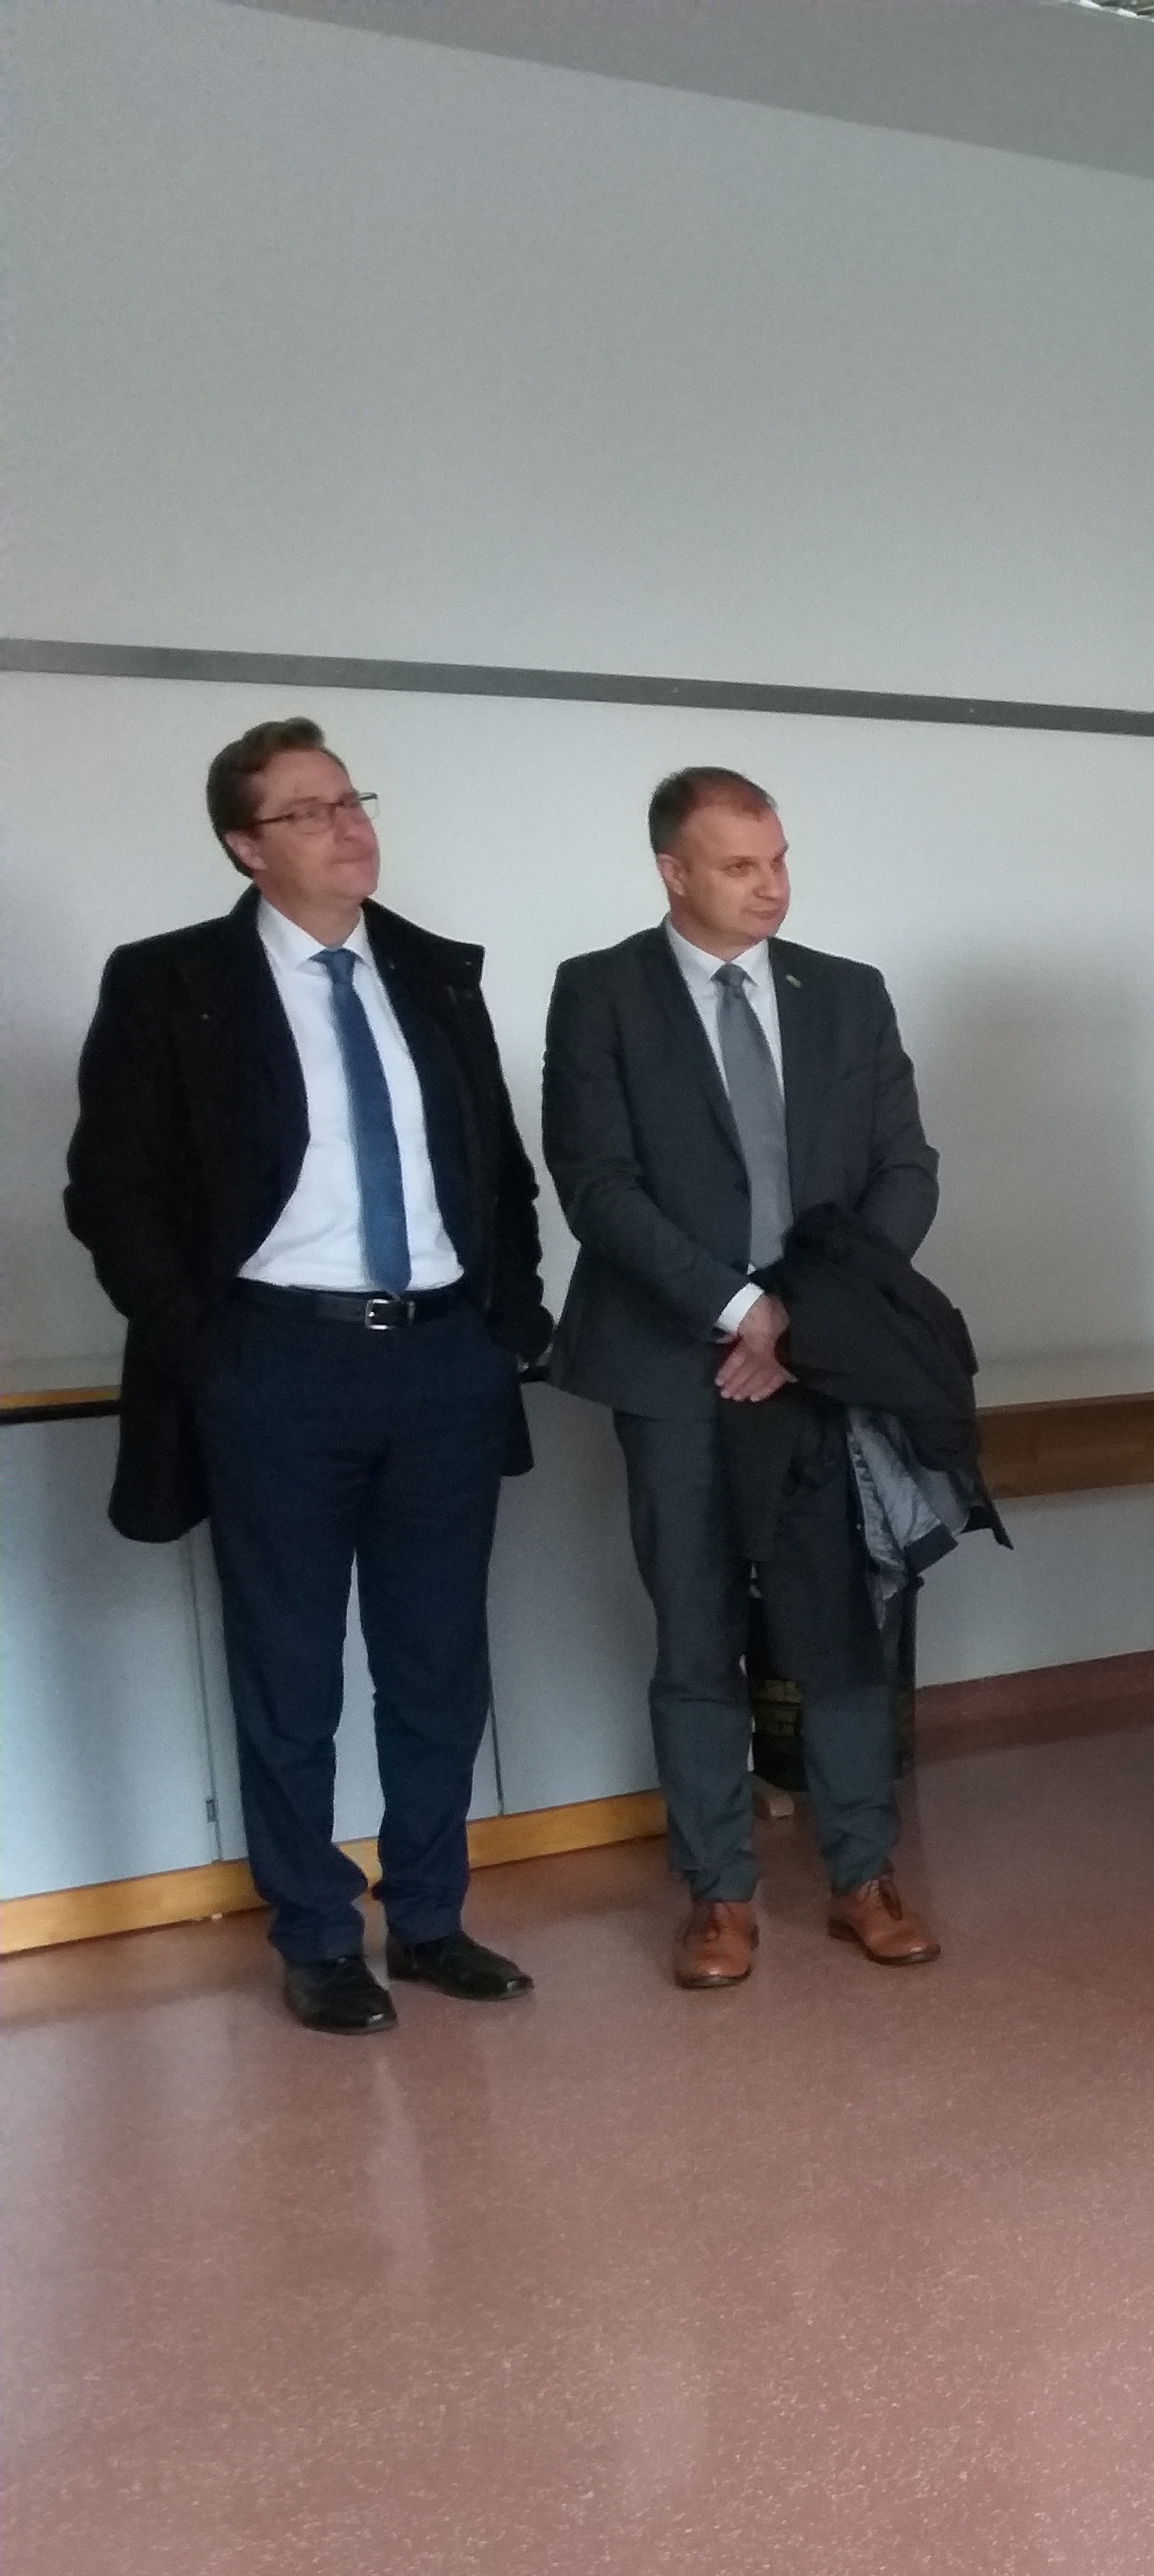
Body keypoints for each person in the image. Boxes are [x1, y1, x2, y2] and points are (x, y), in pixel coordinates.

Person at [62, 720, 556, 2034]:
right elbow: (112, 1193)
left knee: (438, 1662)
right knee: (291, 1669)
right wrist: (206, 1351)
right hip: (277, 1362)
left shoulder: (434, 975)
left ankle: (433, 1918)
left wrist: (508, 1325)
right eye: (309, 810)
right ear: (246, 845)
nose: (349, 826)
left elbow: (499, 1173)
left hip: (443, 1359)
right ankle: (319, 1935)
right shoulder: (174, 984)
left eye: (352, 799)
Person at [542, 769, 943, 1987]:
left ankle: (863, 1873)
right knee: (696, 1627)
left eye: (778, 860)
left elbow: (905, 1171)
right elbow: (597, 1185)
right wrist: (735, 1310)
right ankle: (719, 1893)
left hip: (817, 1367)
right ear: (674, 871)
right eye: (738, 866)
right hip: (672, 1364)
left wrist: (797, 1322)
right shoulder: (601, 992)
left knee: (842, 1627)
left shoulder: (847, 993)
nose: (771, 887)